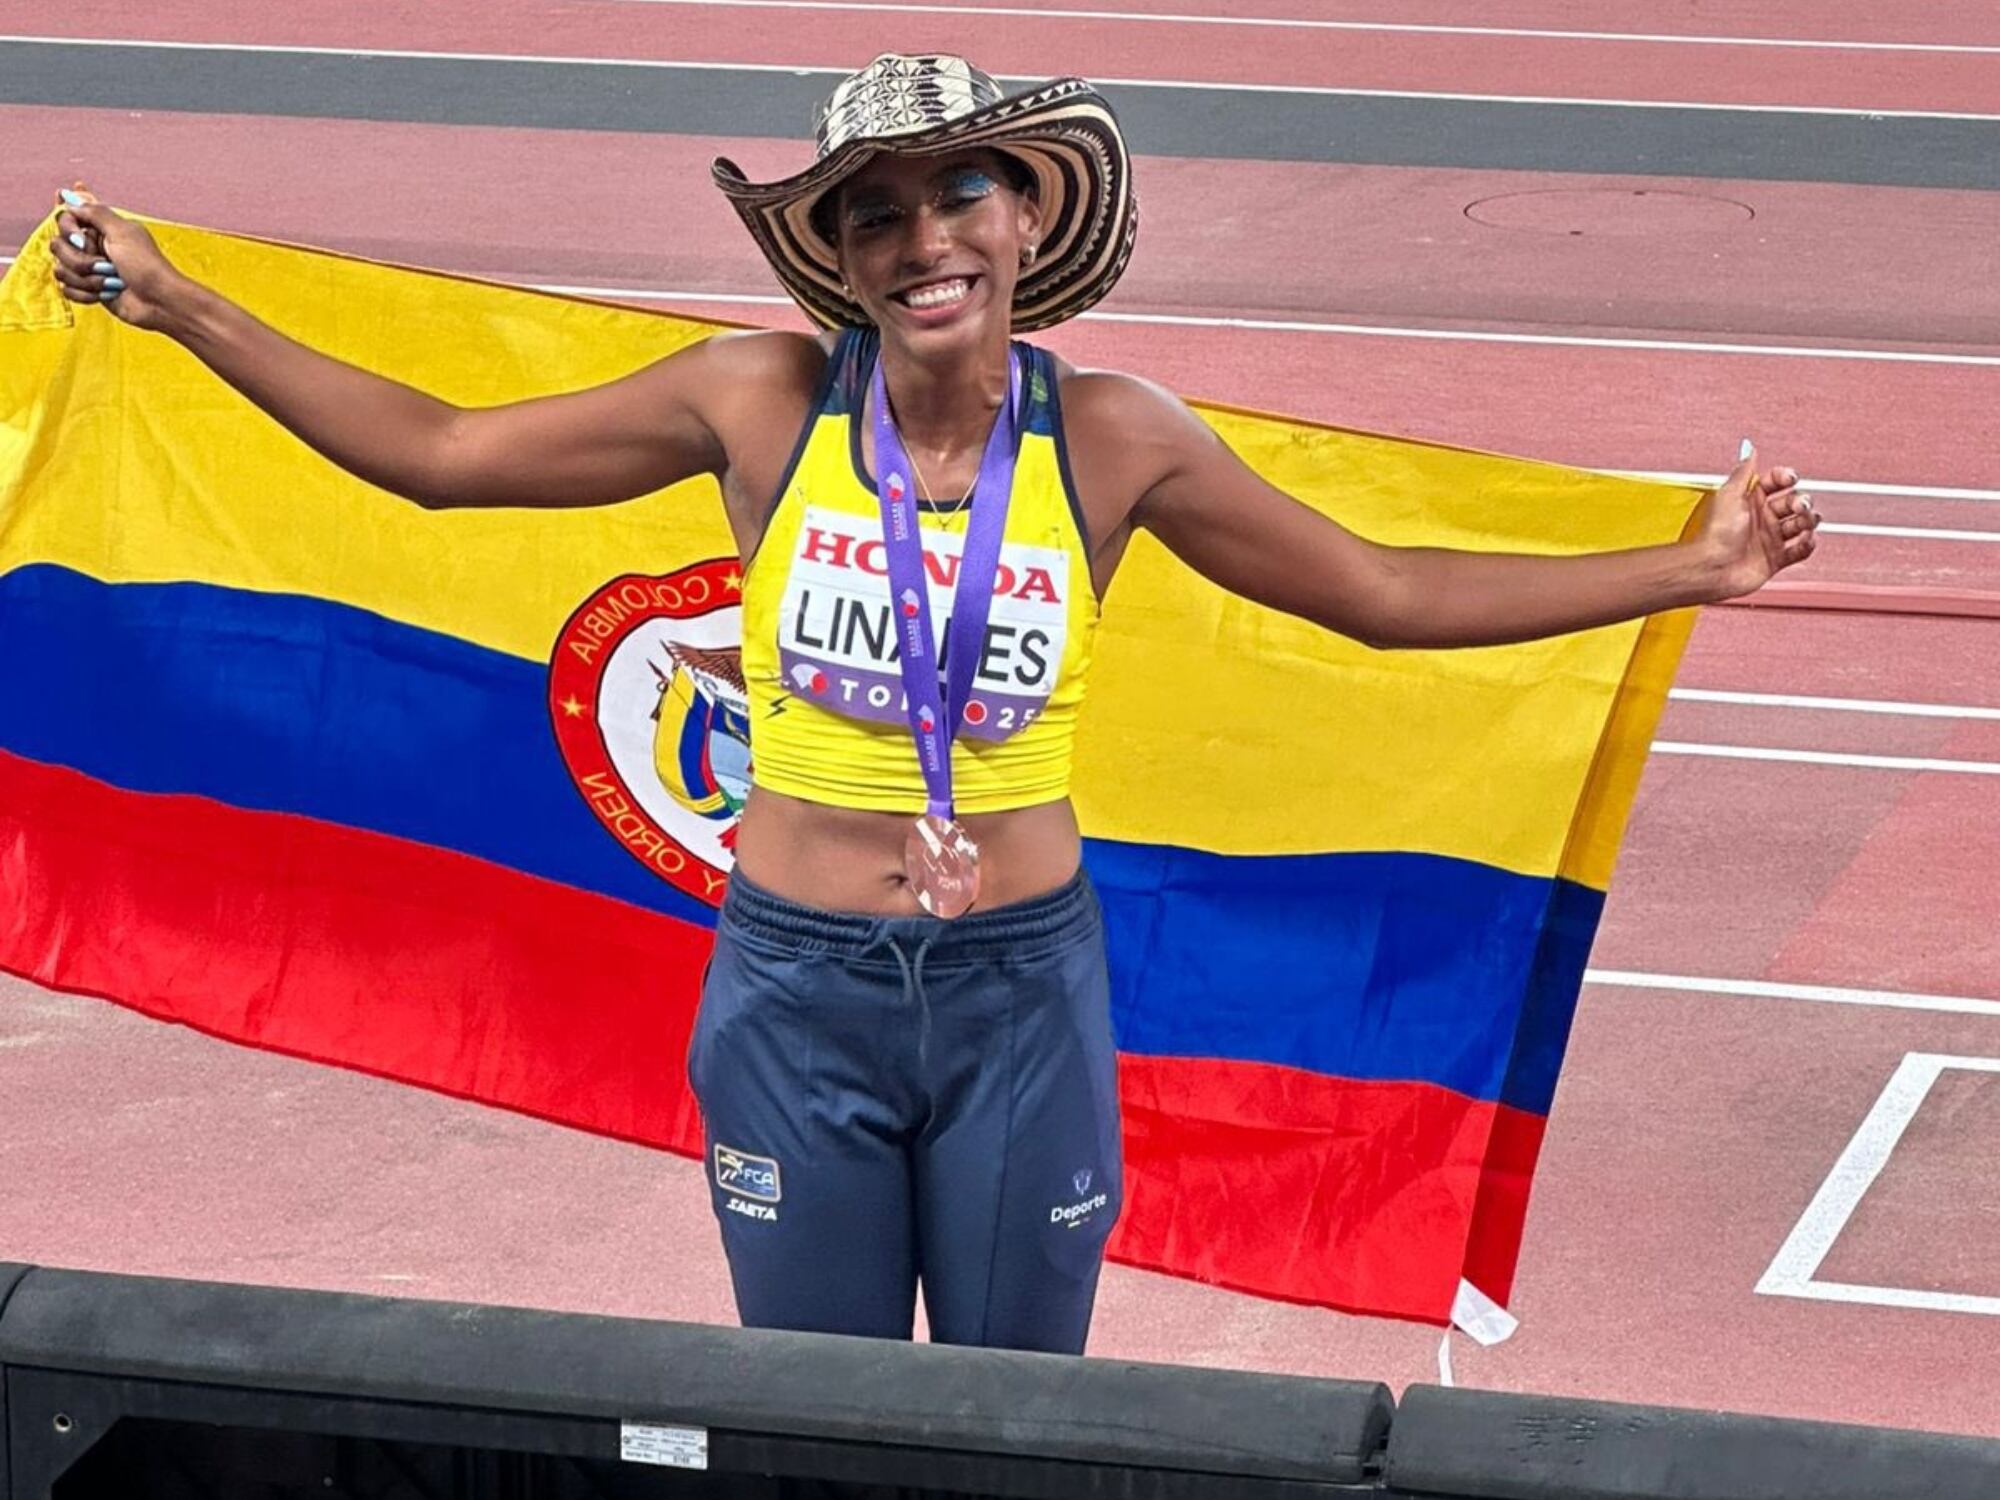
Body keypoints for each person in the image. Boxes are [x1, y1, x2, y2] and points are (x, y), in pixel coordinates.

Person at [47, 53, 1817, 1356]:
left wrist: (1690, 566)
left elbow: (1385, 594)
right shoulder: (757, 404)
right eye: (875, 213)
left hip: (1020, 998)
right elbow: (439, 454)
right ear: (836, 255)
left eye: (960, 192)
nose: (924, 240)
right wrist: (184, 304)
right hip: (796, 993)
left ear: (1029, 213)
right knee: (818, 1420)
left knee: (1013, 1425)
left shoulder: (1113, 438)